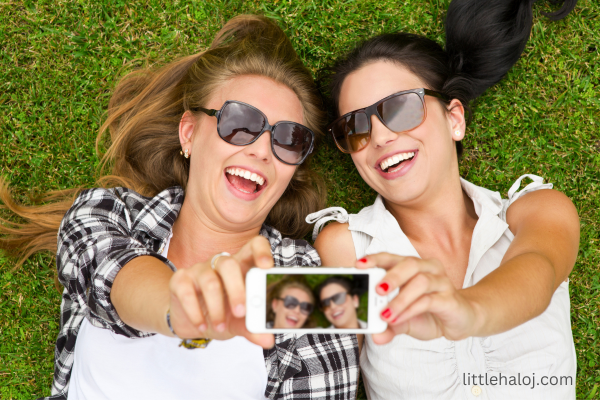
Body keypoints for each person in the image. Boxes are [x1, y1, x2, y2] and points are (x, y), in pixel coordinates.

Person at [0, 15, 359, 400]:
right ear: (189, 133)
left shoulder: (307, 282)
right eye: (239, 123)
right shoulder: (109, 214)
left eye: (289, 139)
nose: (260, 149)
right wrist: (184, 309)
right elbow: (116, 279)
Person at [307, 0, 579, 399]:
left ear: (454, 118)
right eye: (356, 127)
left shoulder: (534, 212)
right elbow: (319, 378)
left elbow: (538, 271)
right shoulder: (348, 250)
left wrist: (467, 311)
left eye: (401, 108)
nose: (379, 137)